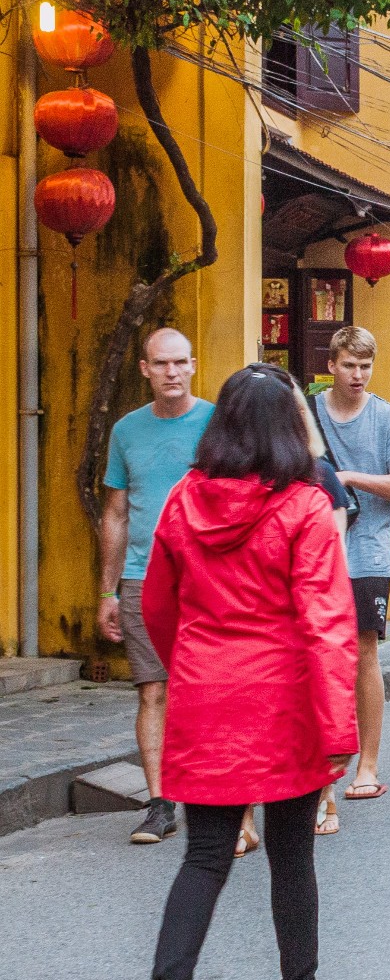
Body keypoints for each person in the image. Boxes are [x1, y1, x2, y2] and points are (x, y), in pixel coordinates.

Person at [138, 364, 358, 980]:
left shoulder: (182, 499)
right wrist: (338, 730)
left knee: (205, 856)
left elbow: (157, 604)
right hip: (284, 697)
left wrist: (193, 662)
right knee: (292, 854)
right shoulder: (304, 507)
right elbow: (327, 625)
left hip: (206, 693)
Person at [98, 327, 214, 847]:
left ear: (193, 365)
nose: (172, 372)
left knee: (210, 686)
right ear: (144, 369)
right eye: (161, 363)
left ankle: (217, 791)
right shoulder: (126, 430)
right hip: (142, 578)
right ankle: (160, 803)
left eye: (181, 363)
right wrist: (107, 592)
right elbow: (117, 512)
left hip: (207, 577)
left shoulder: (216, 424)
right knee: (153, 689)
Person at [311, 328, 390, 820]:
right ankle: (319, 768)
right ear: (331, 364)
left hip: (367, 552)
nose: (358, 375)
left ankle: (367, 765)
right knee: (314, 658)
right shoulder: (308, 412)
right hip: (314, 552)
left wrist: (349, 478)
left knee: (363, 653)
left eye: (366, 367)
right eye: (350, 365)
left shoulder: (387, 418)